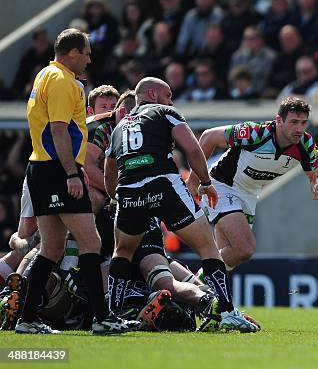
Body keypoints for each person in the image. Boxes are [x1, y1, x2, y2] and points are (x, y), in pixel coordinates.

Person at [104, 77, 258, 332]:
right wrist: (206, 182)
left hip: (129, 192)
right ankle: (228, 312)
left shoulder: (120, 128)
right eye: (168, 95)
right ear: (152, 94)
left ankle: (111, 317)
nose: (171, 100)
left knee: (122, 253)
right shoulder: (165, 112)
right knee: (207, 247)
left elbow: (110, 169)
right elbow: (193, 149)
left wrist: (115, 197)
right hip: (163, 185)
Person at [15, 28, 137, 335]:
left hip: (41, 169)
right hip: (58, 170)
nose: (89, 59)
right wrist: (72, 173)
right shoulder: (63, 81)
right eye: (86, 53)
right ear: (72, 53)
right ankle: (102, 318)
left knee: (52, 248)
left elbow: (64, 125)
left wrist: (99, 119)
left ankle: (26, 319)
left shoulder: (46, 74)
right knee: (91, 242)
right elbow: (58, 130)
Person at [186, 96, 318, 270]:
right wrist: (194, 182)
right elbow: (208, 137)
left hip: (250, 194)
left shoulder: (305, 144)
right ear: (279, 121)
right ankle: (194, 283)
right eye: (294, 122)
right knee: (244, 248)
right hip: (222, 185)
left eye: (303, 123)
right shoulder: (256, 133)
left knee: (231, 256)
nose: (299, 129)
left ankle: (199, 288)